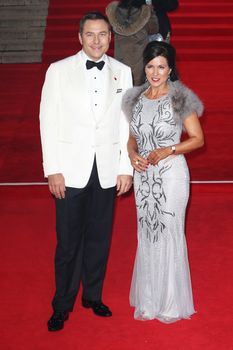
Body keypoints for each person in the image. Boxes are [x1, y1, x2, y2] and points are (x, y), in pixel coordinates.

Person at [39, 11, 133, 332]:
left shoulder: (123, 72)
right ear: (80, 38)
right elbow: (47, 121)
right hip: (70, 170)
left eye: (103, 35)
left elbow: (125, 126)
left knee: (99, 239)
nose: (97, 41)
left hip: (106, 170)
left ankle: (92, 295)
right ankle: (62, 303)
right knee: (68, 243)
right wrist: (53, 168)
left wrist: (125, 169)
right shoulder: (59, 71)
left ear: (111, 37)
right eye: (90, 35)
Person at [122, 40, 204, 323]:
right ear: (143, 67)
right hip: (143, 176)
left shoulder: (180, 97)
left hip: (171, 176)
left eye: (161, 67)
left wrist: (169, 149)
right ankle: (149, 298)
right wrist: (132, 153)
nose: (155, 72)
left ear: (170, 69)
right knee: (147, 233)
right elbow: (132, 135)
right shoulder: (134, 98)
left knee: (168, 231)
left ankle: (170, 302)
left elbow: (197, 139)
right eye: (150, 66)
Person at [106, 0, 159, 86]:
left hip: (120, 53)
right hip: (139, 55)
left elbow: (109, 30)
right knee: (137, 86)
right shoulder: (145, 12)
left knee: (121, 83)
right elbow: (154, 29)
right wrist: (151, 11)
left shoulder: (114, 11)